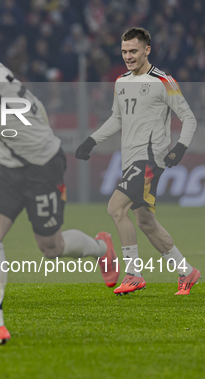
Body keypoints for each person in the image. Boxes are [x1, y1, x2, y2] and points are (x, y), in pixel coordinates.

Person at [0, 17, 118, 345]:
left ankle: (102, 248)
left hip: (41, 166)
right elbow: (35, 103)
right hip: (7, 167)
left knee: (51, 247)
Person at [75, 27, 200, 296]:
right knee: (145, 223)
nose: (128, 56)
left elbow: (189, 118)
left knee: (115, 209)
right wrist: (91, 141)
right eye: (124, 51)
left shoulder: (163, 81)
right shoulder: (120, 82)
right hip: (130, 158)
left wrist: (179, 147)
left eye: (133, 51)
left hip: (150, 158)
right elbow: (116, 119)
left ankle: (133, 273)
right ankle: (186, 271)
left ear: (147, 50)